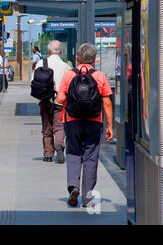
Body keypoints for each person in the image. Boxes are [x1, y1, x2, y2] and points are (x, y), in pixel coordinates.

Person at [56, 43, 113, 208]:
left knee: (73, 153)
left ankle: (74, 187)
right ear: (94, 59)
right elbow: (107, 103)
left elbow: (60, 99)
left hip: (72, 121)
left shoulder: (69, 75)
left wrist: (72, 99)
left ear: (76, 58)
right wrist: (109, 125)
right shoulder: (100, 76)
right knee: (90, 158)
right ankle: (88, 199)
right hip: (94, 122)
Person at [33, 41, 71, 163]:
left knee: (46, 127)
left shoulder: (41, 63)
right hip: (60, 101)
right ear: (61, 51)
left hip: (45, 100)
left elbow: (33, 81)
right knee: (59, 126)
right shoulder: (66, 67)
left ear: (48, 51)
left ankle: (48, 155)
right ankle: (59, 144)